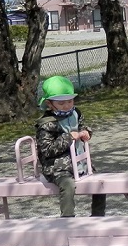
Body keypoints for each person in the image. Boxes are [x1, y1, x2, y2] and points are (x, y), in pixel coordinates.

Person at [36, 75, 106, 218]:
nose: (67, 105)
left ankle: (98, 216)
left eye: (70, 101)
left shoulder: (76, 113)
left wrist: (86, 132)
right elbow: (46, 150)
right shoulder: (47, 124)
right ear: (49, 104)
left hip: (80, 163)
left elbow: (82, 126)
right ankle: (67, 219)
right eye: (61, 103)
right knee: (68, 185)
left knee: (100, 183)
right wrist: (67, 137)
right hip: (57, 167)